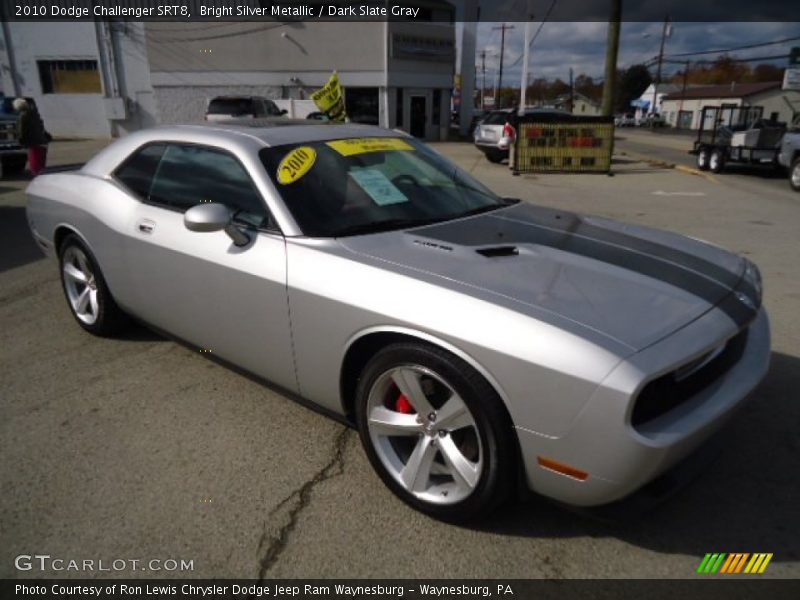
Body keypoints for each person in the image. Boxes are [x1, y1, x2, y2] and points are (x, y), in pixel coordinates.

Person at [14, 97, 50, 176]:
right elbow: (41, 127)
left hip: (33, 143)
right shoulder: (35, 115)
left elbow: (21, 131)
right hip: (42, 142)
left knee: (35, 166)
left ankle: (37, 180)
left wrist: (20, 141)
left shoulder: (23, 116)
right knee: (41, 165)